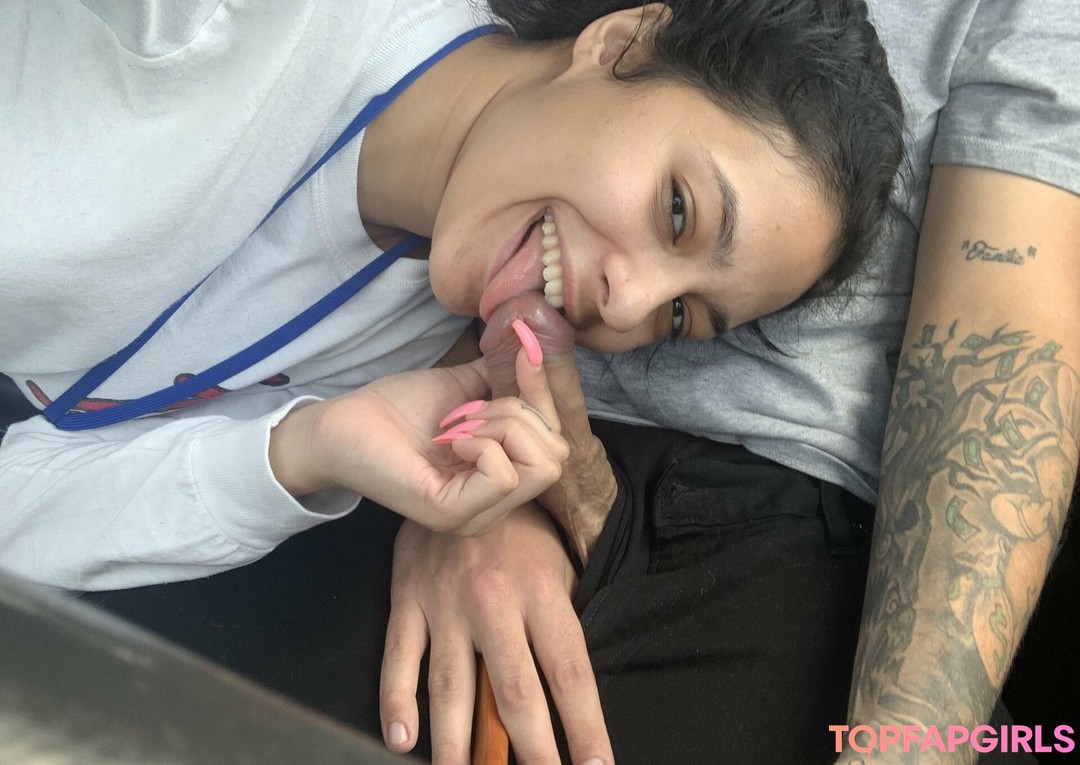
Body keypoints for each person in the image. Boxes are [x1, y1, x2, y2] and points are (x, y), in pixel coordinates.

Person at [0, 0, 901, 598]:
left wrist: (303, 450)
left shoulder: (404, 341)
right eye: (677, 210)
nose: (628, 306)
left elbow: (21, 507)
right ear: (621, 43)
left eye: (680, 317)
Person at [379, 1, 1080, 764]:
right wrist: (469, 455)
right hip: (468, 411)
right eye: (677, 208)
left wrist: (910, 743)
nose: (631, 301)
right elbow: (483, 110)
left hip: (793, 522)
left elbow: (996, 347)